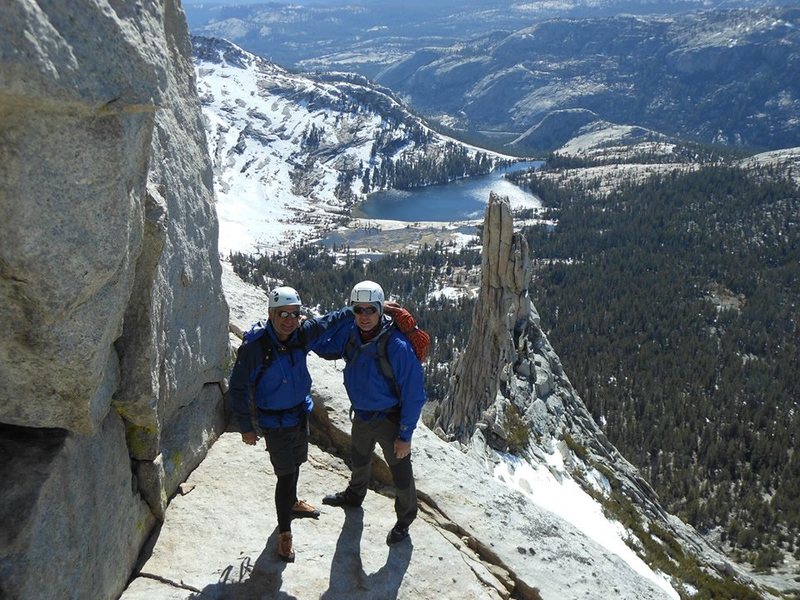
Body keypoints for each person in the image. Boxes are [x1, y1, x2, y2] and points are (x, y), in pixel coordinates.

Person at [228, 286, 354, 562]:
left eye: (294, 314)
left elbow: (329, 321)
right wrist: (246, 427)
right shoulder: (256, 347)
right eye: (283, 313)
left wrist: (358, 309)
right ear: (271, 314)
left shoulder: (301, 334)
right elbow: (237, 388)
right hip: (274, 422)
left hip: (299, 415)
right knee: (285, 475)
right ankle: (284, 533)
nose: (289, 319)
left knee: (296, 464)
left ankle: (293, 503)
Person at [318, 280, 427, 545]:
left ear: (381, 311)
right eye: (358, 310)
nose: (364, 316)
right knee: (359, 460)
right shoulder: (350, 334)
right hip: (364, 417)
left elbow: (415, 394)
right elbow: (320, 344)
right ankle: (354, 496)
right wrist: (343, 316)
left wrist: (405, 434)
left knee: (401, 474)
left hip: (391, 420)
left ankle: (404, 521)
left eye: (371, 310)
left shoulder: (397, 345)